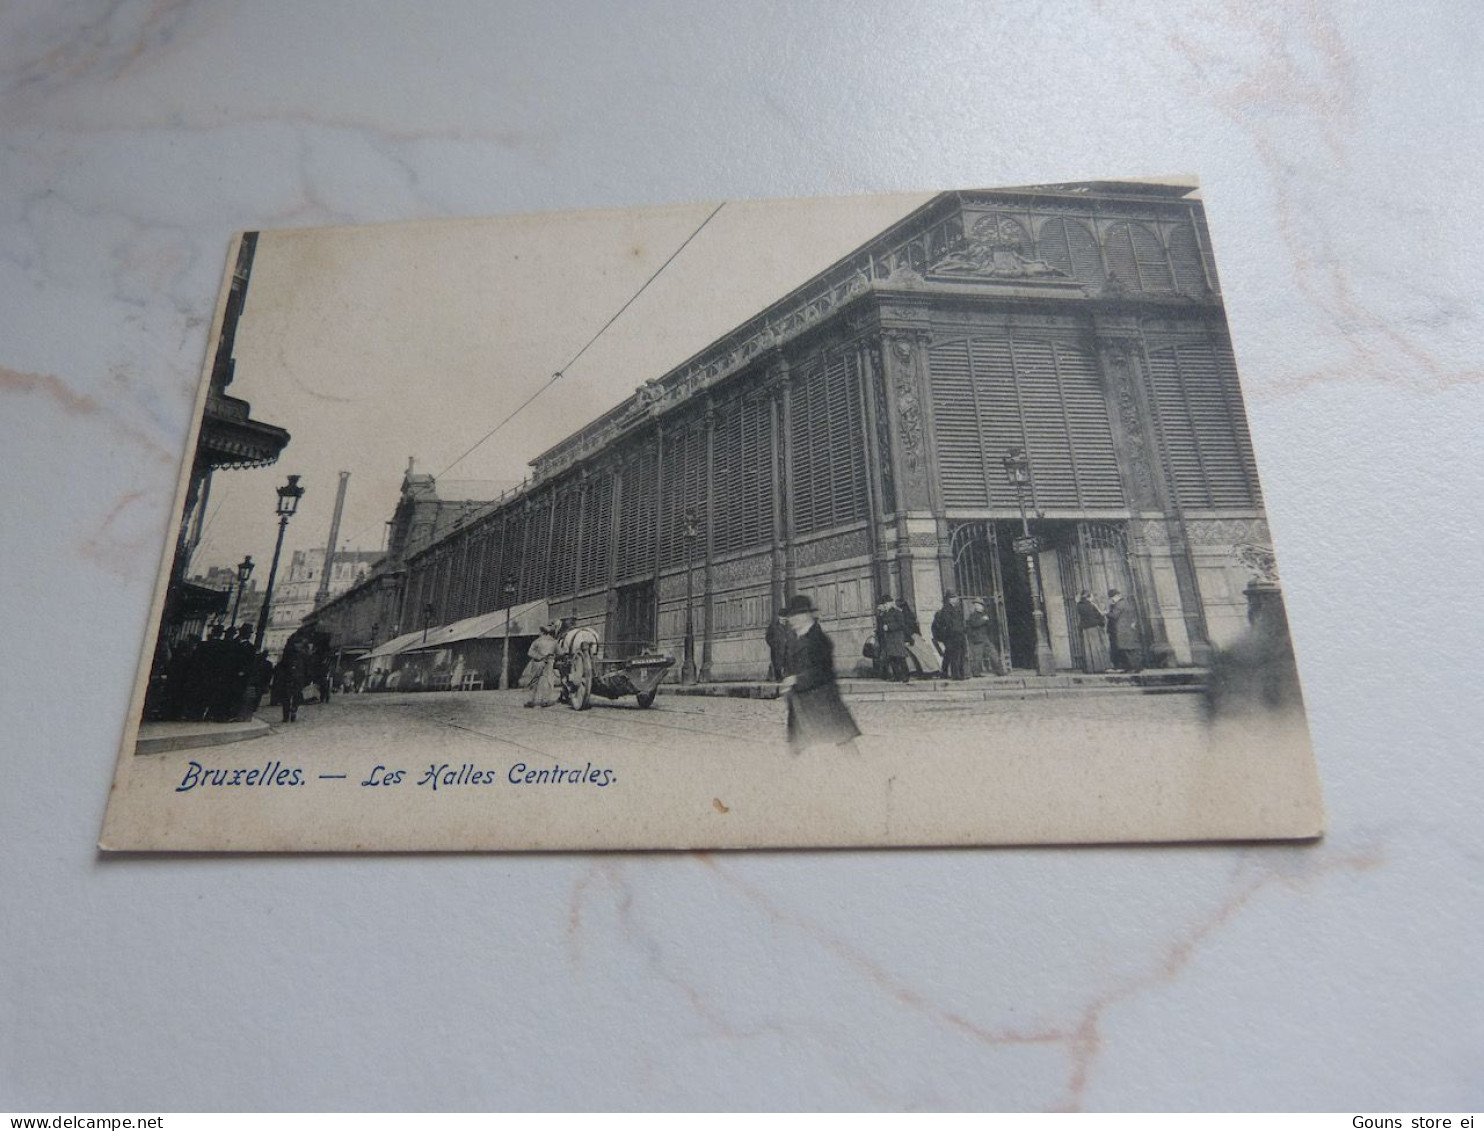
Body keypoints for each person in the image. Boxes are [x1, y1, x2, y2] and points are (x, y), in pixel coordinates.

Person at [779, 594, 860, 754]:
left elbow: (823, 672)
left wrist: (796, 679)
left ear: (806, 616)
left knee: (843, 742)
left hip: (822, 701)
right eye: (791, 616)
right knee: (798, 747)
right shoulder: (795, 639)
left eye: (795, 616)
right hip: (801, 702)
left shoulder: (819, 640)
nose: (791, 620)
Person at [522, 622, 560, 708]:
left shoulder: (537, 641)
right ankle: (545, 700)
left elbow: (530, 652)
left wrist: (539, 657)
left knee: (534, 681)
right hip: (549, 663)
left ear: (542, 632)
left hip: (537, 663)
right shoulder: (554, 642)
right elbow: (560, 652)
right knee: (548, 681)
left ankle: (532, 700)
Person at [932, 590, 968, 680]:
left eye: (955, 597)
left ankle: (945, 673)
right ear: (948, 599)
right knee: (956, 655)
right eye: (952, 597)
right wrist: (958, 631)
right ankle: (956, 675)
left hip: (957, 634)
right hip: (952, 635)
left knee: (950, 654)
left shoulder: (956, 608)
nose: (954, 599)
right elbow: (949, 624)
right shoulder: (946, 610)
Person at [1105, 588, 1142, 672]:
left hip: (1120, 630)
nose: (1111, 599)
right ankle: (1132, 667)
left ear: (1116, 596)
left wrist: (1106, 613)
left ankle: (1131, 667)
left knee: (1125, 649)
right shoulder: (1126, 603)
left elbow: (1114, 616)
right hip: (1126, 629)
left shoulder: (1119, 604)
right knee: (1127, 649)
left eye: (1111, 597)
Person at [875, 593, 909, 683]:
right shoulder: (884, 614)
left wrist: (889, 627)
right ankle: (897, 676)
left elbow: (902, 624)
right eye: (884, 604)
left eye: (886, 604)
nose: (885, 606)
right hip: (889, 639)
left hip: (897, 638)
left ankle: (905, 676)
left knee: (901, 658)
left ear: (891, 603)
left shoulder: (897, 612)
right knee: (892, 658)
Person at [271, 640, 307, 723]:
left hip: (288, 680)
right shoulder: (301, 657)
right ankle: (293, 710)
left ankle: (286, 716)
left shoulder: (286, 657)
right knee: (295, 697)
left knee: (286, 699)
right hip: (296, 680)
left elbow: (280, 668)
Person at [965, 599, 1001, 678]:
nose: (977, 606)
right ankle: (976, 673)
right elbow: (974, 624)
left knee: (993, 653)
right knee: (977, 657)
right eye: (976, 604)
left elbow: (991, 625)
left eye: (979, 604)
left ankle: (999, 671)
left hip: (985, 638)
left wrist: (987, 621)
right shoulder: (973, 615)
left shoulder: (985, 614)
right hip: (977, 639)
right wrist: (983, 620)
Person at [1076, 590, 1110, 673]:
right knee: (1097, 648)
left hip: (1085, 629)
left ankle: (1089, 668)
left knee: (1088, 649)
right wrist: (1102, 623)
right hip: (1094, 628)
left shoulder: (1079, 606)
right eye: (1091, 596)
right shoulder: (1092, 605)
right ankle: (1099, 668)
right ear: (1089, 597)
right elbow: (1099, 616)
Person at [764, 610, 791, 682]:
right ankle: (776, 679)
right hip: (777, 651)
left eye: (785, 619)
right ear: (779, 617)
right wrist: (774, 645)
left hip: (787, 650)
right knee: (777, 665)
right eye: (782, 619)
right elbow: (768, 637)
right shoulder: (773, 626)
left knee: (787, 665)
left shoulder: (789, 626)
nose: (784, 621)